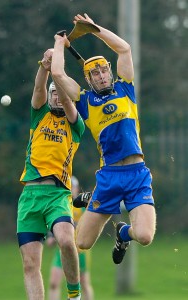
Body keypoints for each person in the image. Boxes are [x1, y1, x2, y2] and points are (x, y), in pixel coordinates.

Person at [51, 13, 156, 265]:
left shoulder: (125, 88)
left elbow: (124, 48)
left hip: (136, 173)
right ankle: (92, 197)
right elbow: (57, 74)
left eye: (103, 70)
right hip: (109, 176)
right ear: (88, 79)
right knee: (82, 242)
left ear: (110, 72)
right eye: (94, 73)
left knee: (144, 236)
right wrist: (58, 44)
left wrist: (93, 29)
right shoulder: (84, 100)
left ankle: (123, 233)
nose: (100, 76)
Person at [16, 48, 85, 300]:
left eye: (61, 94)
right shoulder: (39, 115)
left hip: (58, 195)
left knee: (66, 241)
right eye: (54, 94)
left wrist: (56, 65)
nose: (57, 97)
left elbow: (68, 100)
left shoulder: (75, 124)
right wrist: (44, 66)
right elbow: (38, 90)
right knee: (30, 265)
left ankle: (74, 295)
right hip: (30, 196)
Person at [46, 176, 94, 300]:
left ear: (77, 189)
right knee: (53, 282)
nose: (70, 189)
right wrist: (51, 236)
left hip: (80, 251)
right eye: (68, 186)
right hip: (62, 250)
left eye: (73, 187)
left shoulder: (83, 206)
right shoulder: (60, 205)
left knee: (84, 284)